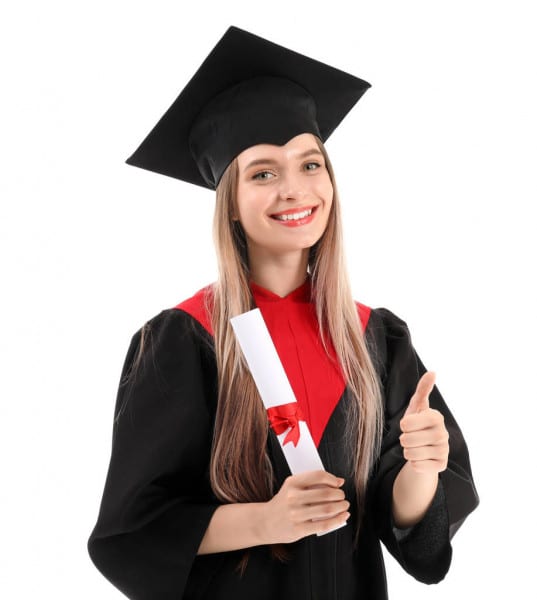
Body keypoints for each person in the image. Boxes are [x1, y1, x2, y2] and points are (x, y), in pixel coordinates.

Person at [87, 26, 478, 600]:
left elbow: (407, 527)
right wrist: (267, 521)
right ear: (230, 202)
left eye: (310, 165)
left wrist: (422, 467)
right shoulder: (184, 339)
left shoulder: (376, 337)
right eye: (264, 173)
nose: (295, 190)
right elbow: (135, 531)